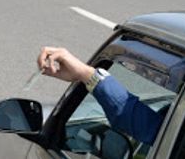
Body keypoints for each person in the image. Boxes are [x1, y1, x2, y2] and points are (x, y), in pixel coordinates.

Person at [38, 46, 168, 145]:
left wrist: (85, 73)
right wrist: (85, 74)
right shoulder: (178, 135)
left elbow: (149, 127)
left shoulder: (181, 141)